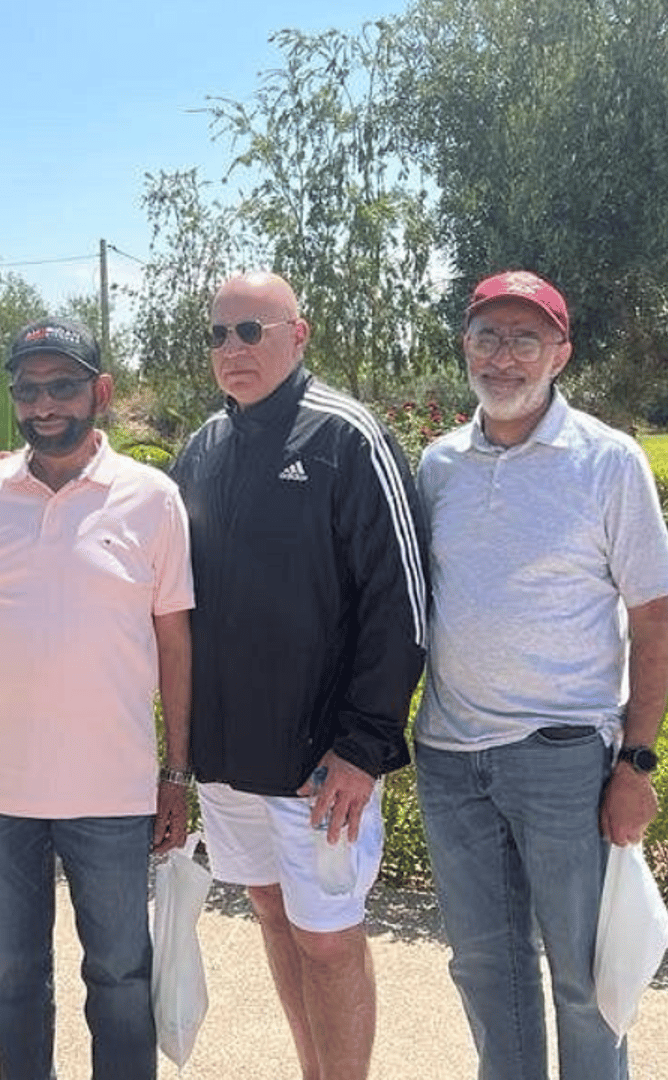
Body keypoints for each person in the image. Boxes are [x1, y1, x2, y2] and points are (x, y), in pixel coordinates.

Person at [0, 317, 194, 1080]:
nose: (44, 404)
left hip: (112, 792)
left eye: (63, 385)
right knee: (9, 975)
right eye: (28, 389)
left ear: (99, 392)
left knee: (120, 976)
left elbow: (175, 645)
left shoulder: (153, 499)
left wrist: (177, 775)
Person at [171, 271, 427, 1080]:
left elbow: (405, 602)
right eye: (218, 334)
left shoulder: (348, 436)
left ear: (298, 333)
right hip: (229, 754)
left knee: (327, 936)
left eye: (252, 330)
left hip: (324, 761)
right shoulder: (203, 447)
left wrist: (364, 745)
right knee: (272, 911)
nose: (232, 349)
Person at [414, 269, 668, 1080]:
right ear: (465, 345)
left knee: (587, 982)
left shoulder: (608, 462)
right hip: (452, 762)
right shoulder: (438, 466)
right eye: (488, 335)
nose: (504, 357)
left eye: (526, 338)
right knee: (486, 975)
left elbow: (654, 618)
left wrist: (636, 761)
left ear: (561, 353)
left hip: (564, 760)